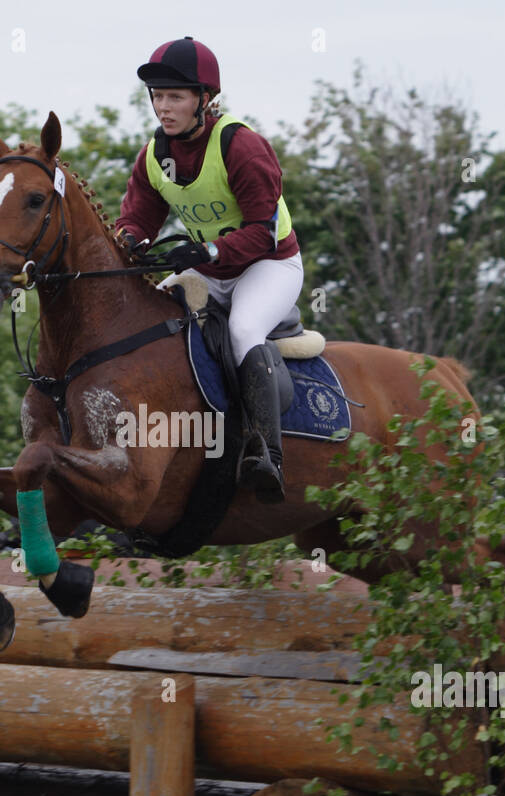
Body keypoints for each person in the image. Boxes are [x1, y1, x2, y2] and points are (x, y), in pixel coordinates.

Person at [113, 36, 302, 505]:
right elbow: (137, 217)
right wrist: (131, 239)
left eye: (175, 96)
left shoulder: (242, 146)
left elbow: (263, 231)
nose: (163, 107)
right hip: (212, 269)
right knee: (152, 321)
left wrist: (207, 252)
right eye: (157, 97)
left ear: (205, 99)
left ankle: (266, 454)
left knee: (242, 329)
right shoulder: (155, 156)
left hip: (269, 265)